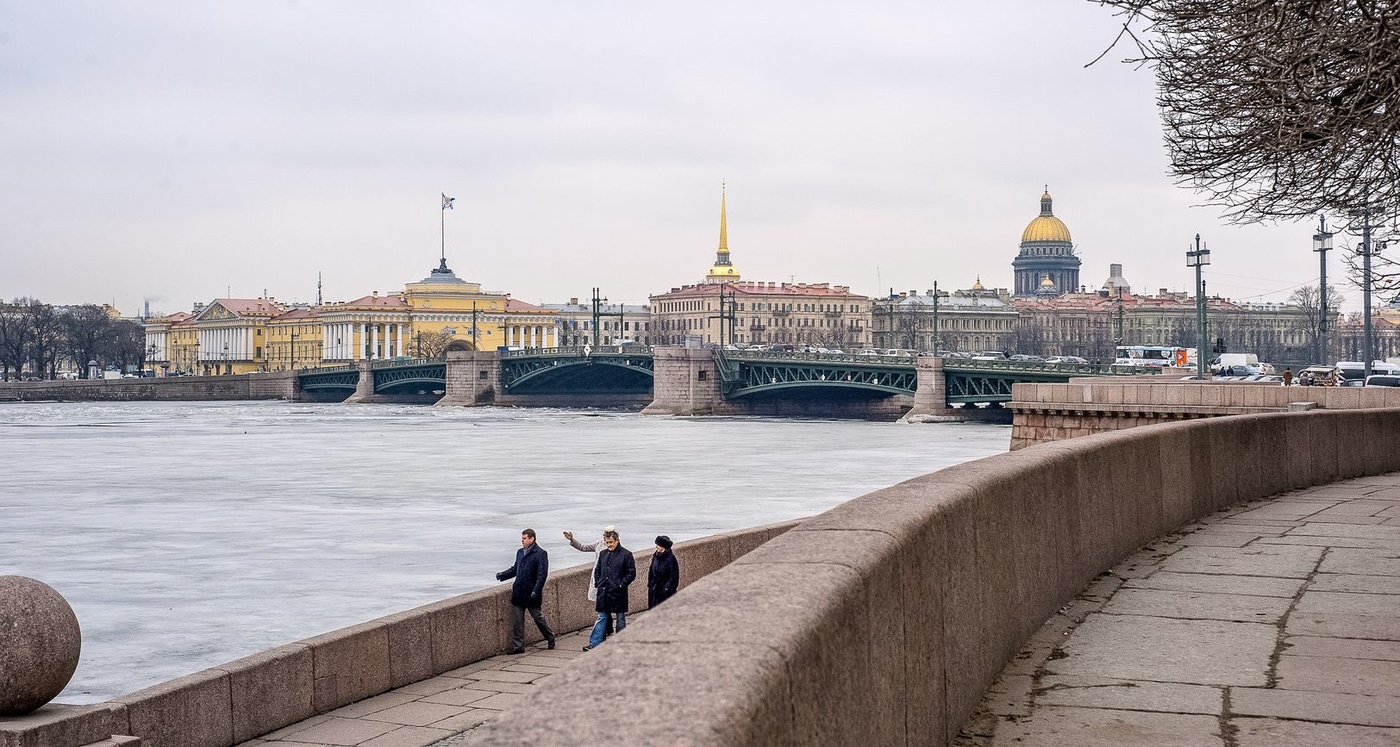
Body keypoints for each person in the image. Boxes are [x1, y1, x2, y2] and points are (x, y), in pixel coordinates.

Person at [495, 528, 556, 654]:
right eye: (522, 538)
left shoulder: (541, 554)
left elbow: (542, 575)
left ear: (532, 539)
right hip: (518, 592)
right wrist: (502, 575)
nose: (522, 540)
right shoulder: (519, 552)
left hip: (531, 593)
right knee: (518, 621)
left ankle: (550, 637)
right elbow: (515, 569)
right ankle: (518, 646)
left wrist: (536, 591)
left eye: (524, 538)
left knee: (537, 617)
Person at [583, 529, 635, 651]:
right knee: (601, 617)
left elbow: (631, 573)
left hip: (618, 592)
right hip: (604, 591)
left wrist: (621, 585)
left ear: (617, 541)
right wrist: (598, 583)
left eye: (611, 542)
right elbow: (597, 570)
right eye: (607, 542)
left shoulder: (626, 554)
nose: (609, 545)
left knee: (620, 618)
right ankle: (595, 643)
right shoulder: (603, 554)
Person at [564, 525, 616, 639]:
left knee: (603, 607)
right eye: (603, 535)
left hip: (609, 580)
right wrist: (572, 540)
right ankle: (608, 627)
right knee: (602, 605)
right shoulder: (598, 544)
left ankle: (604, 630)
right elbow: (583, 547)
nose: (604, 537)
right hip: (598, 579)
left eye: (606, 535)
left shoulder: (614, 546)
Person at [647, 535, 680, 609]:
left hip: (664, 593)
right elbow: (651, 571)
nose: (656, 547)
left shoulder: (671, 559)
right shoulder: (656, 556)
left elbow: (674, 577)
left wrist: (666, 589)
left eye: (658, 545)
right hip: (654, 590)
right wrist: (650, 584)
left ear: (663, 546)